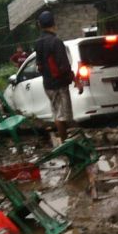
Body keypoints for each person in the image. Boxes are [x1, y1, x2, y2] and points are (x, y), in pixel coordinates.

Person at [35, 10, 82, 142]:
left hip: (48, 85)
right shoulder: (56, 42)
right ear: (54, 23)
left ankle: (65, 141)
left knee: (57, 114)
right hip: (59, 84)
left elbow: (39, 65)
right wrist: (75, 81)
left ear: (40, 25)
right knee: (63, 116)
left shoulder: (38, 43)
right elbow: (64, 66)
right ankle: (66, 143)